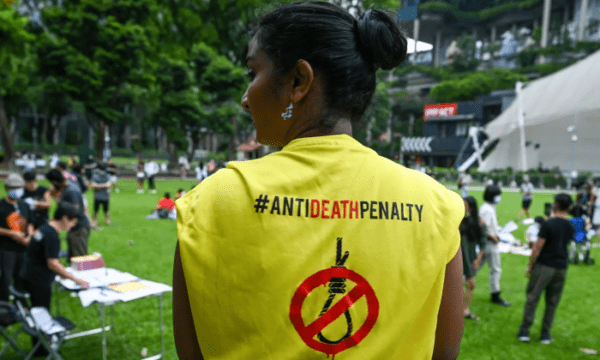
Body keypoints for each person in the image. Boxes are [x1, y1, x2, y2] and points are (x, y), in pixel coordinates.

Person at [173, 3, 464, 359]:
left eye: (253, 72)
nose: (246, 98)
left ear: (298, 81)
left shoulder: (213, 201)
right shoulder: (435, 206)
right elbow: (444, 354)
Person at [20, 202, 90, 357]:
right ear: (65, 218)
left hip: (28, 274)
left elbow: (42, 255)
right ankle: (41, 349)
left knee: (37, 312)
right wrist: (76, 280)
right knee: (41, 313)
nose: (73, 225)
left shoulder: (43, 228)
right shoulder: (52, 236)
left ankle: (41, 344)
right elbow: (53, 263)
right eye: (72, 222)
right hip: (38, 280)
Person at [517, 193, 575, 344]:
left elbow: (537, 247)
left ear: (555, 205)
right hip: (561, 267)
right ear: (569, 207)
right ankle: (545, 333)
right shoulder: (570, 226)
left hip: (544, 266)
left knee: (532, 297)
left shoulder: (548, 224)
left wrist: (530, 266)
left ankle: (525, 330)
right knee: (552, 301)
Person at [0, 173, 32, 302]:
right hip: (6, 249)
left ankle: (21, 303)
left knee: (21, 276)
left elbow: (30, 222)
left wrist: (29, 236)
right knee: (6, 278)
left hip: (23, 248)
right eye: (14, 187)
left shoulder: (24, 204)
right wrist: (11, 233)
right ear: (7, 188)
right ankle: (4, 306)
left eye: (20, 187)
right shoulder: (1, 206)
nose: (17, 190)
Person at [46, 169, 90, 259]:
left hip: (79, 227)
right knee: (73, 257)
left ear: (55, 182)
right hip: (74, 227)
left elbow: (75, 209)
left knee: (79, 259)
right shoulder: (67, 188)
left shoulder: (71, 191)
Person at [478, 184, 511, 307]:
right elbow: (483, 226)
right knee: (495, 269)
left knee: (476, 266)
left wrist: (499, 230)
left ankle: (456, 284)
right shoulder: (487, 209)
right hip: (490, 244)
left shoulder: (489, 207)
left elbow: (489, 225)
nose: (499, 198)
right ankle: (495, 294)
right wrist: (494, 237)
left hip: (490, 242)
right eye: (498, 195)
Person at [461, 196, 485, 321]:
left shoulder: (478, 223)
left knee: (471, 284)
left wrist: (478, 259)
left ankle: (465, 310)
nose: (463, 207)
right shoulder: (458, 220)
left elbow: (483, 242)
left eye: (465, 205)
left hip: (470, 257)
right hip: (458, 257)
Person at [91, 162, 112, 226]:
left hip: (105, 195)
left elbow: (109, 185)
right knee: (96, 209)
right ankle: (95, 221)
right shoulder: (95, 175)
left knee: (106, 209)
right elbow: (93, 186)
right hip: (98, 196)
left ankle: (108, 220)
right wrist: (104, 185)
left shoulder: (107, 175)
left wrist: (98, 186)